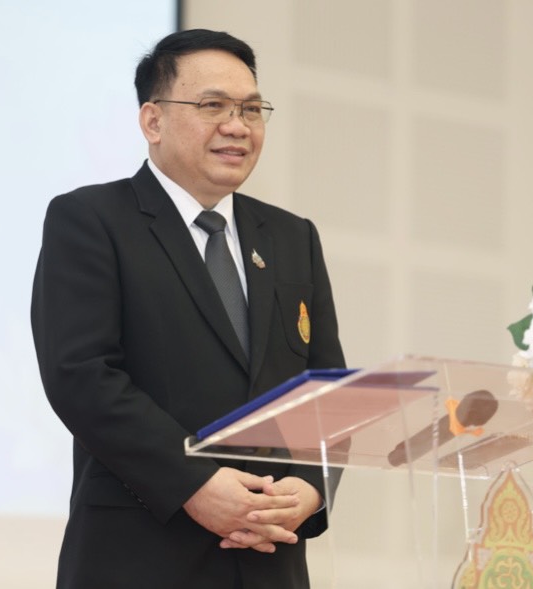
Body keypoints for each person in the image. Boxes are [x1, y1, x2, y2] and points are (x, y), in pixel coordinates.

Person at [31, 29, 345, 589]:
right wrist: (193, 483)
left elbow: (326, 391)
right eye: (213, 106)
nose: (238, 126)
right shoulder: (92, 220)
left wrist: (312, 488)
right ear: (153, 121)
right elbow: (82, 376)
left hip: (269, 560)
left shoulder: (292, 237)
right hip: (139, 559)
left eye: (251, 109)